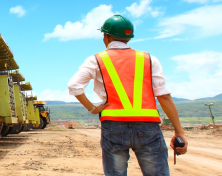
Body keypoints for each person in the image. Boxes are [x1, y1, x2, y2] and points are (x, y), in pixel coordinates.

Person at [67, 14, 187, 176]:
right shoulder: (149, 59)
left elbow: (74, 86)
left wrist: (92, 109)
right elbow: (164, 96)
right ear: (128, 38)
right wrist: (179, 132)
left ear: (106, 36)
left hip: (113, 126)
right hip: (148, 126)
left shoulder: (96, 60)